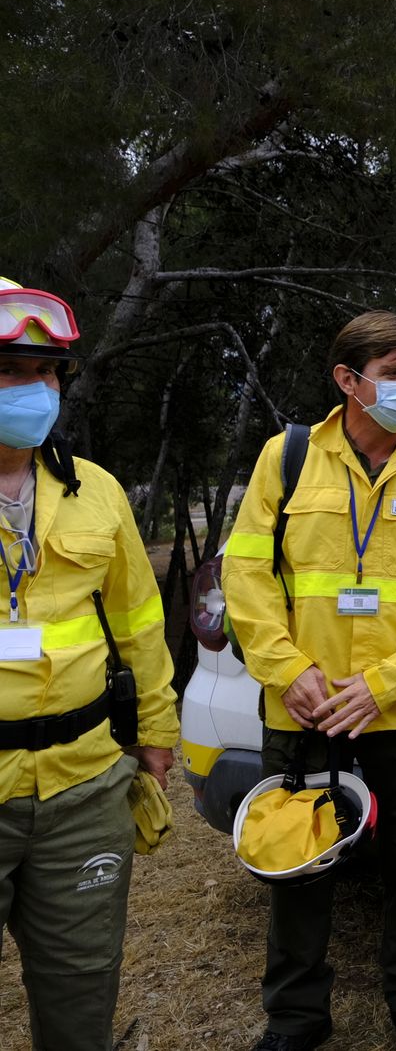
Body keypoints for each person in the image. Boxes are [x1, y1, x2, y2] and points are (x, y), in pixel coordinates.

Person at [224, 311, 396, 1051]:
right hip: (302, 707)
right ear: (348, 379)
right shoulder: (289, 457)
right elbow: (245, 575)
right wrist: (288, 670)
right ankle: (296, 1017)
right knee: (294, 864)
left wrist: (386, 683)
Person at [0, 278, 179, 1050]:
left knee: (80, 994)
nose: (34, 390)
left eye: (46, 373)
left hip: (84, 783)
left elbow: (141, 622)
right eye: (10, 372)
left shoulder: (97, 491)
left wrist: (157, 734)